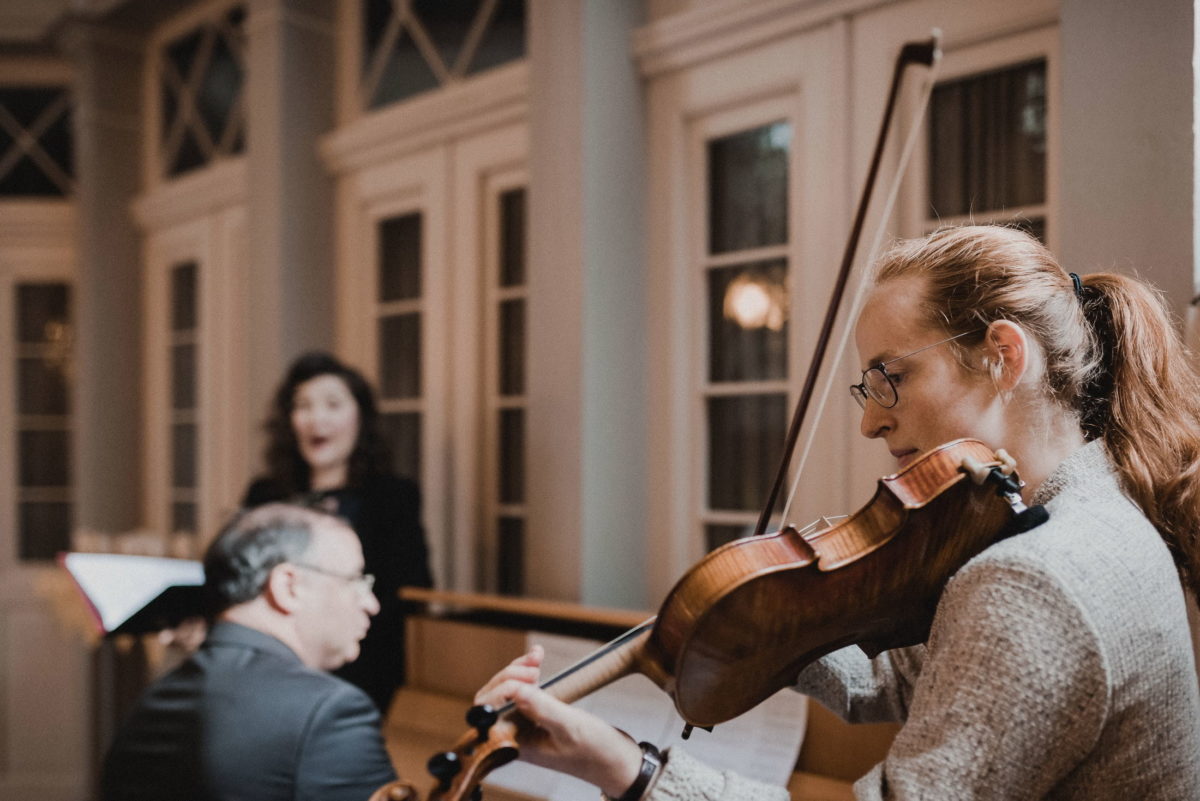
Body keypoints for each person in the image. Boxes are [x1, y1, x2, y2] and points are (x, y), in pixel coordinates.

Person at [476, 226, 1200, 799]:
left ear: (1003, 355)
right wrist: (777, 611)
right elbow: (914, 676)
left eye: (891, 376)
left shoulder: (1035, 578)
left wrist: (629, 769)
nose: (870, 425)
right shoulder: (1094, 513)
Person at [101, 503, 398, 801]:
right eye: (356, 581)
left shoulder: (149, 706)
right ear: (288, 586)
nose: (371, 604)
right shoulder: (329, 714)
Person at [243, 351, 432, 713]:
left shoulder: (393, 497)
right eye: (303, 406)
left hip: (360, 669)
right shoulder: (265, 496)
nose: (318, 419)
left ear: (360, 417)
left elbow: (409, 590)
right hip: (271, 668)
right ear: (290, 421)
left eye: (332, 404)